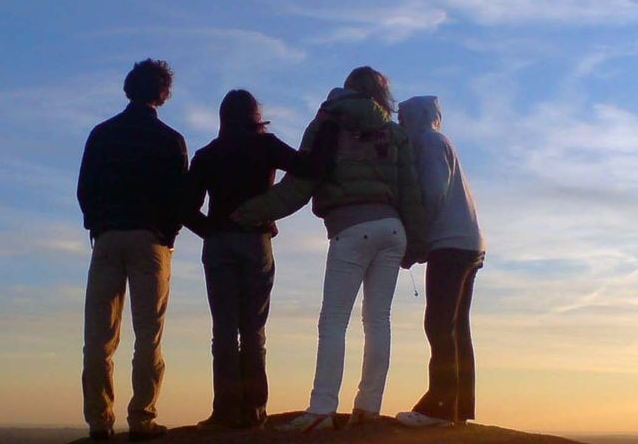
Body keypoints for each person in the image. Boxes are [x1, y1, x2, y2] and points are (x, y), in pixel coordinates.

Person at [234, 67, 426, 432]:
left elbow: (299, 184)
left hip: (351, 229)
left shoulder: (327, 123)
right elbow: (410, 191)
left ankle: (322, 408)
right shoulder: (394, 131)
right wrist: (416, 242)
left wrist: (248, 212)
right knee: (378, 319)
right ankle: (368, 407)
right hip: (392, 229)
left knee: (334, 320)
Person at [182, 89, 334, 430]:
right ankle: (254, 411)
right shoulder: (266, 145)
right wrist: (325, 128)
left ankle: (224, 411)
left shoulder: (208, 154)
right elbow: (309, 167)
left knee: (223, 329)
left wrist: (211, 230)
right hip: (256, 242)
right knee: (254, 329)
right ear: (255, 115)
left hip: (219, 244)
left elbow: (185, 206)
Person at [77, 59, 187, 441]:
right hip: (150, 241)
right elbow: (180, 197)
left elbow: (85, 189)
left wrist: (97, 224)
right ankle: (142, 418)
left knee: (98, 337)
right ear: (162, 93)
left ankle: (99, 422)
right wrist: (167, 235)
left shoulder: (101, 134)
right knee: (148, 334)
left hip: (107, 239)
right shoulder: (170, 140)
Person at [393, 96, 486, 428]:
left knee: (439, 323)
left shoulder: (429, 143)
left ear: (417, 117)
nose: (400, 124)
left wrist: (416, 240)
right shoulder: (440, 141)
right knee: (456, 326)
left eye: (403, 118)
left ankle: (441, 407)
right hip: (467, 243)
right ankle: (458, 406)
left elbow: (432, 193)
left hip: (449, 245)